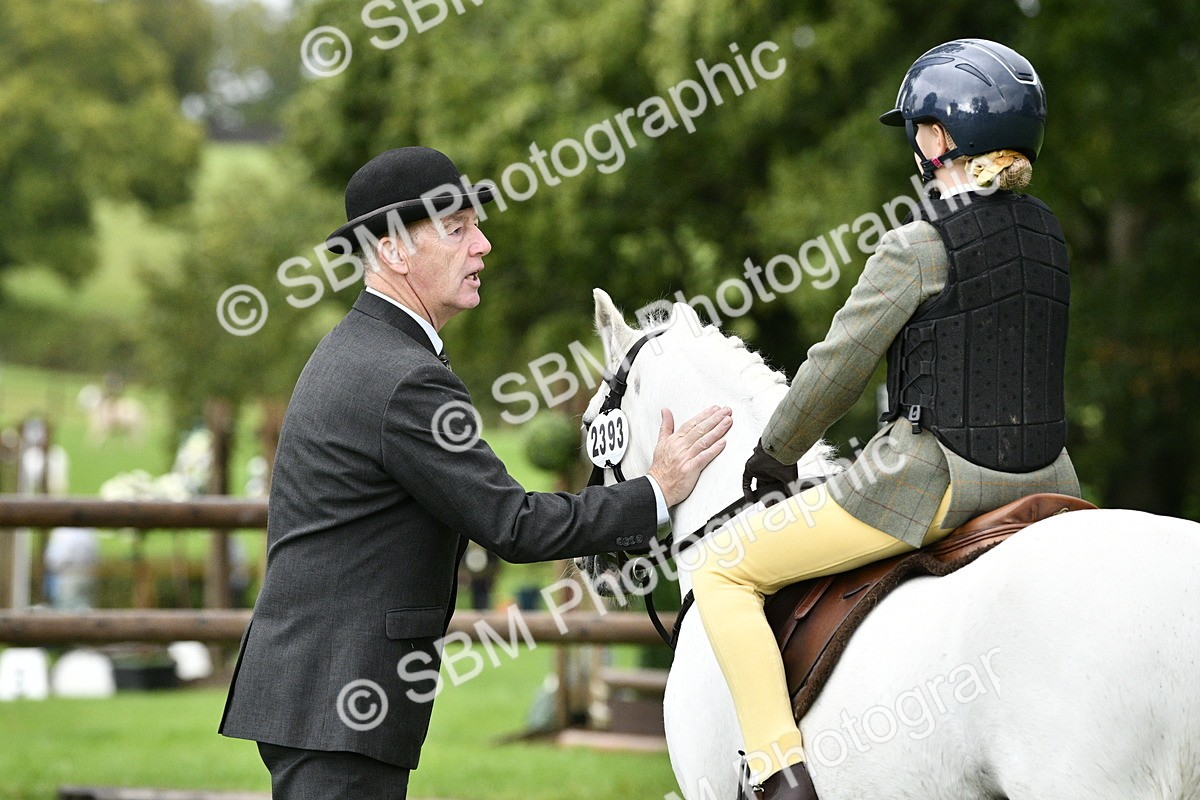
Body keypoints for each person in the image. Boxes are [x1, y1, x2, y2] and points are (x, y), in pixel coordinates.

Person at [218, 146, 733, 799]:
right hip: (338, 702)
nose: (483, 245)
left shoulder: (365, 349)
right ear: (395, 251)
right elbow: (514, 525)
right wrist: (657, 491)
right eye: (457, 229)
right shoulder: (403, 377)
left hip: (322, 697)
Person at [690, 39, 1081, 799]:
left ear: (938, 138)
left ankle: (774, 771)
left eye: (918, 129)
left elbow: (837, 366)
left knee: (723, 568)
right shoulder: (1050, 239)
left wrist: (776, 450)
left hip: (934, 484)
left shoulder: (917, 246)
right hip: (1051, 479)